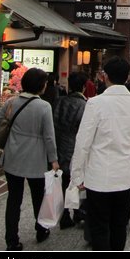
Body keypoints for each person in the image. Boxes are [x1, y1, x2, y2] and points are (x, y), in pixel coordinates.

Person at [70, 56, 130, 251]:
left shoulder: (95, 103)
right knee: (119, 224)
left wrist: (77, 174)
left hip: (98, 175)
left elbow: (83, 142)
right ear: (128, 77)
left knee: (99, 225)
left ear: (105, 77)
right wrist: (125, 147)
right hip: (124, 175)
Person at [0, 68, 59, 251]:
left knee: (14, 199)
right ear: (40, 86)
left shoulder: (11, 102)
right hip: (36, 158)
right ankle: (41, 229)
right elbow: (49, 137)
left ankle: (11, 240)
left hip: (13, 157)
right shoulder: (44, 107)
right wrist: (53, 159)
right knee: (38, 197)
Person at [52, 71, 88, 229]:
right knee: (77, 180)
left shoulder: (59, 102)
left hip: (59, 144)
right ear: (84, 87)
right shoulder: (85, 105)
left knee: (64, 181)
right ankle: (77, 211)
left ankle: (65, 214)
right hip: (75, 146)